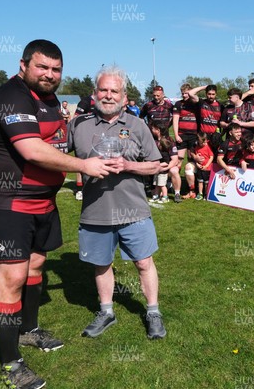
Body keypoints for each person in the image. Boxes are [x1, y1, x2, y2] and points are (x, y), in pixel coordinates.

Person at [0, 39, 117, 388]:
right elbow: (32, 149)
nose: (49, 74)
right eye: (42, 67)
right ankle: (10, 365)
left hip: (43, 201)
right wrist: (83, 165)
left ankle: (29, 330)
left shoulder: (51, 99)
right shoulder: (11, 95)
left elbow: (57, 141)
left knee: (37, 266)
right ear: (23, 64)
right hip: (8, 202)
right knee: (10, 279)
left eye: (56, 69)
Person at [67, 65, 167, 340]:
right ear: (94, 93)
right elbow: (59, 157)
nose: (108, 95)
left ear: (124, 97)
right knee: (101, 264)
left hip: (133, 209)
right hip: (95, 211)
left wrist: (128, 165)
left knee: (144, 263)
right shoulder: (78, 125)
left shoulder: (137, 125)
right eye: (104, 89)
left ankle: (153, 312)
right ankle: (106, 311)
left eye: (115, 91)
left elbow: (156, 166)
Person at [173, 83, 202, 201]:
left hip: (194, 136)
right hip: (182, 135)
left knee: (191, 161)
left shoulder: (196, 102)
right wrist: (176, 135)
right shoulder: (178, 104)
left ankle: (192, 189)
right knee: (178, 160)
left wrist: (204, 87)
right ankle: (175, 185)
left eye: (186, 93)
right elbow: (175, 119)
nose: (184, 95)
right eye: (182, 93)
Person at [148, 123, 179, 204]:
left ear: (158, 130)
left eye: (153, 129)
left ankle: (170, 195)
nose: (152, 130)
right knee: (157, 183)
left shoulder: (168, 142)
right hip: (157, 168)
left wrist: (164, 168)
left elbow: (173, 160)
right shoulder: (152, 139)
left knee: (162, 184)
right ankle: (156, 196)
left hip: (163, 168)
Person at [184, 131, 214, 200]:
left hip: (207, 168)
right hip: (200, 167)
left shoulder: (208, 147)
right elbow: (193, 153)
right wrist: (197, 163)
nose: (203, 144)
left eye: (204, 142)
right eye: (201, 142)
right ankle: (199, 193)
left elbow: (211, 156)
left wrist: (206, 165)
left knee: (206, 182)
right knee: (200, 181)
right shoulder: (196, 147)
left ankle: (206, 194)